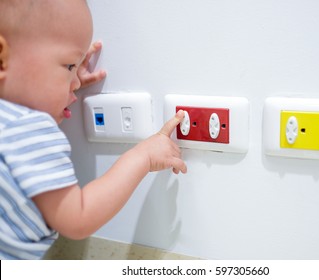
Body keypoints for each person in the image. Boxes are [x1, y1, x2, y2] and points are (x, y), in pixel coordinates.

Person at [0, 0, 187, 259]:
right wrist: (142, 157)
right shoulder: (29, 127)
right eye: (69, 66)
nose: (76, 80)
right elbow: (78, 218)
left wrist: (63, 81)